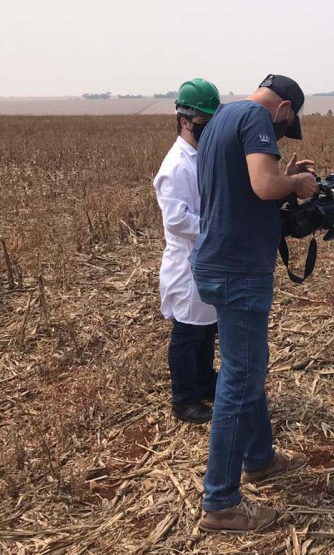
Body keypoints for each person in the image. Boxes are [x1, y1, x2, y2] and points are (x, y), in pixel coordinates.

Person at [189, 74, 320, 533]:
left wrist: (288, 177)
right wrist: (297, 184)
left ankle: (260, 458)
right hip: (239, 268)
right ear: (284, 108)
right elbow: (265, 185)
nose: (284, 131)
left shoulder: (223, 116)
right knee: (240, 379)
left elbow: (244, 187)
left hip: (219, 260)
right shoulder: (257, 119)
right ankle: (220, 504)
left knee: (246, 368)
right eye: (287, 125)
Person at [153, 79, 221, 424]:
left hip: (208, 258)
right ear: (184, 120)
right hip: (188, 263)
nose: (208, 130)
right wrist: (218, 225)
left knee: (207, 328)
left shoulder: (201, 157)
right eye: (203, 123)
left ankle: (205, 380)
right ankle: (183, 399)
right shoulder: (176, 165)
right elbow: (178, 220)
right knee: (187, 332)